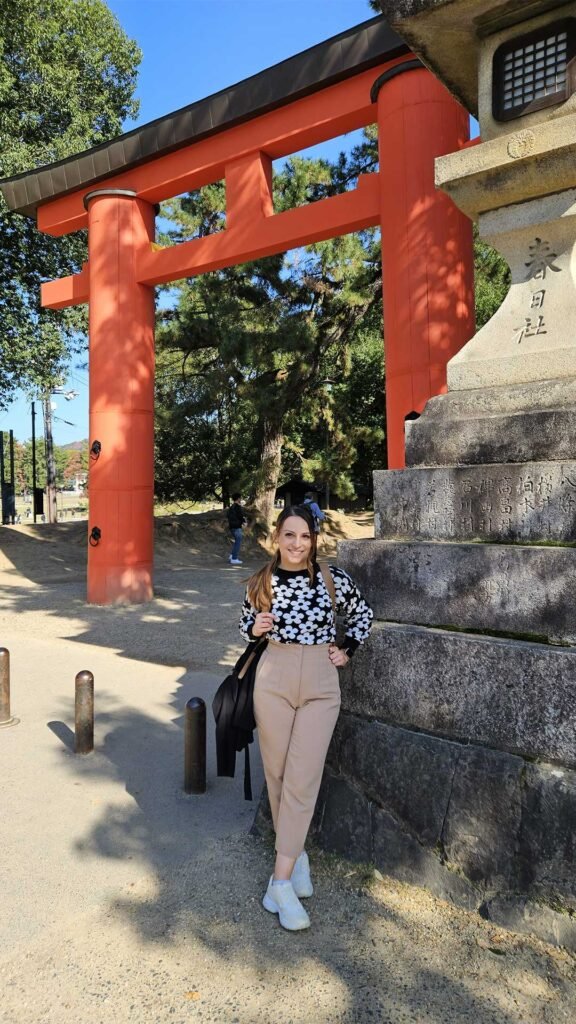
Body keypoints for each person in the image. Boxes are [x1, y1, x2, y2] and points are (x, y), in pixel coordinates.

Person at [239, 504, 373, 931]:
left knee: (302, 774)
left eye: (305, 536)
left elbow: (363, 616)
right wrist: (256, 626)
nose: (297, 544)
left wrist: (346, 648)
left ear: (315, 539)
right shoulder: (262, 580)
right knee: (277, 774)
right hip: (273, 678)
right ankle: (297, 860)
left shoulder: (333, 579)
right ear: (276, 536)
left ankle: (278, 882)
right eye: (289, 535)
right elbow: (244, 625)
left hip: (319, 682)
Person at [225, 492, 248, 565]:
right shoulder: (238, 507)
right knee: (238, 542)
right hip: (237, 527)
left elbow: (228, 516)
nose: (241, 499)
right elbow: (241, 516)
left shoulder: (231, 507)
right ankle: (234, 559)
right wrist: (244, 522)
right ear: (238, 499)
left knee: (236, 542)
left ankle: (232, 556)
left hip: (231, 527)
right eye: (240, 498)